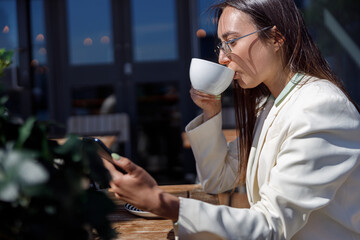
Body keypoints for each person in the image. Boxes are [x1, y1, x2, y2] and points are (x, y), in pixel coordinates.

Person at [103, 0, 360, 239]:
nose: (222, 58)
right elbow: (218, 179)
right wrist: (211, 112)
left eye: (232, 42)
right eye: (221, 45)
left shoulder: (320, 108)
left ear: (275, 37)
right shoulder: (270, 104)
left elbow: (272, 226)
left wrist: (162, 203)